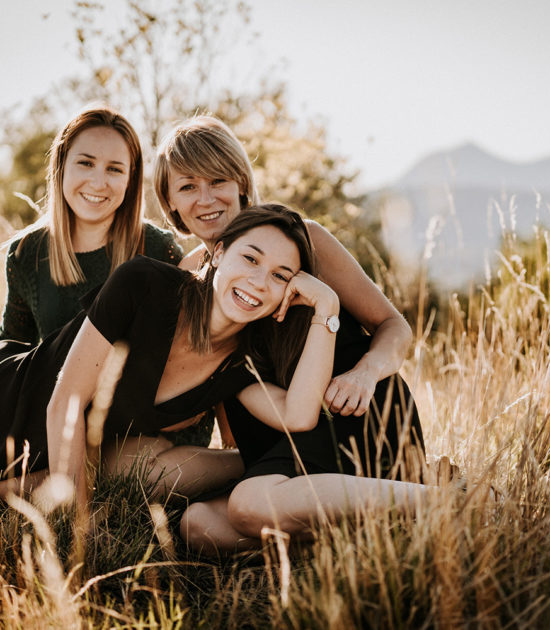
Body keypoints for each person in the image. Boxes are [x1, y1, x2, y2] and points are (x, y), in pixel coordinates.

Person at [0, 206, 321, 501]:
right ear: (219, 253)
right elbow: (65, 401)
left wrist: (326, 310)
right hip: (8, 397)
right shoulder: (144, 284)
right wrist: (83, 524)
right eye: (251, 259)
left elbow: (298, 415)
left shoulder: (243, 361)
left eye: (280, 275)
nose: (259, 281)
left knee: (138, 456)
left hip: (47, 458)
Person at [152, 116, 420, 460]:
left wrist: (365, 374)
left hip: (355, 413)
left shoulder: (304, 240)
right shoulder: (187, 275)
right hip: (273, 436)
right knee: (203, 516)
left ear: (242, 185)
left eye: (218, 180)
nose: (205, 199)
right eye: (188, 187)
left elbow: (395, 327)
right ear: (169, 200)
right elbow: (220, 378)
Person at [0, 105, 183, 344]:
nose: (98, 183)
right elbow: (10, 353)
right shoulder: (25, 252)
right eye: (86, 163)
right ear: (61, 166)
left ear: (130, 179)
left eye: (114, 169)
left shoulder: (158, 248)